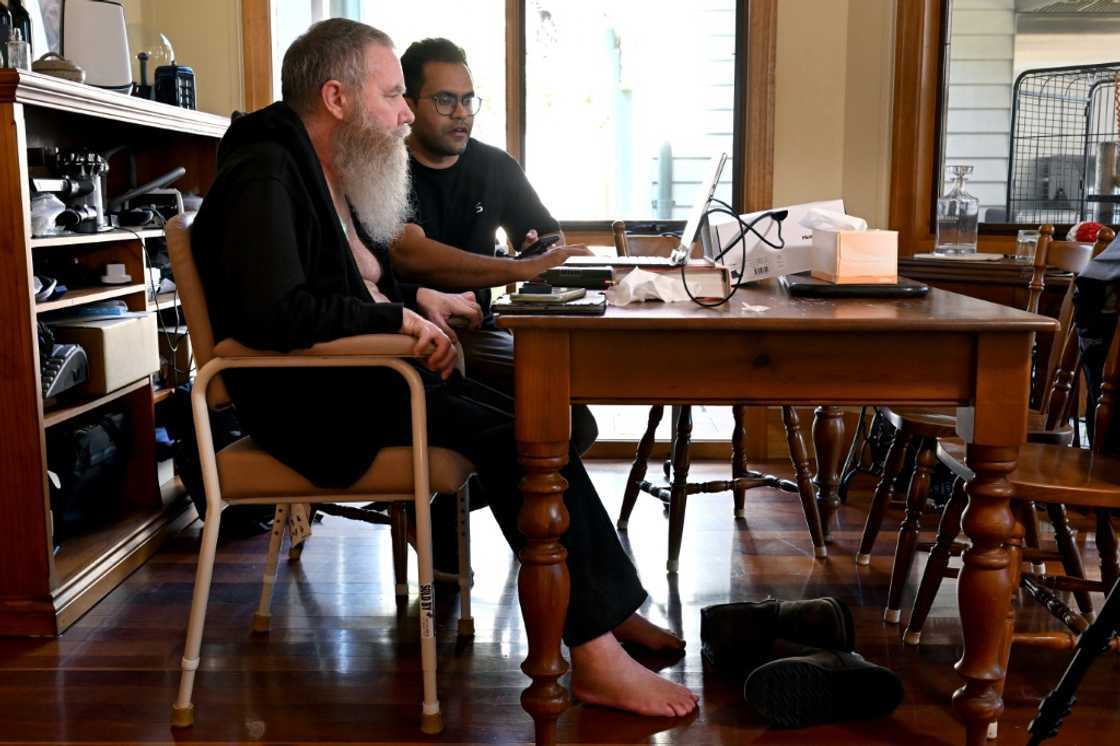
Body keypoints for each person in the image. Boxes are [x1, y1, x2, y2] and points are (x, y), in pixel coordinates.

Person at [189, 18, 696, 719]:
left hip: (362, 379)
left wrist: (416, 299)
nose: (406, 112)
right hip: (315, 405)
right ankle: (597, 651)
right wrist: (398, 322)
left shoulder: (325, 167)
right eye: (395, 94)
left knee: (538, 424)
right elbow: (276, 312)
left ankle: (605, 613)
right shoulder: (266, 170)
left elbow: (344, 284)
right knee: (522, 443)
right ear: (337, 98)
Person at [392, 37, 599, 453]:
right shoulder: (386, 168)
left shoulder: (494, 166)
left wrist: (536, 249)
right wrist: (517, 269)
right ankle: (444, 510)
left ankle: (444, 514)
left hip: (480, 330)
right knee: (535, 426)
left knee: (574, 422)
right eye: (446, 100)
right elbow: (411, 254)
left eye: (469, 100)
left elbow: (547, 236)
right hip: (408, 333)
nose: (462, 114)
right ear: (410, 104)